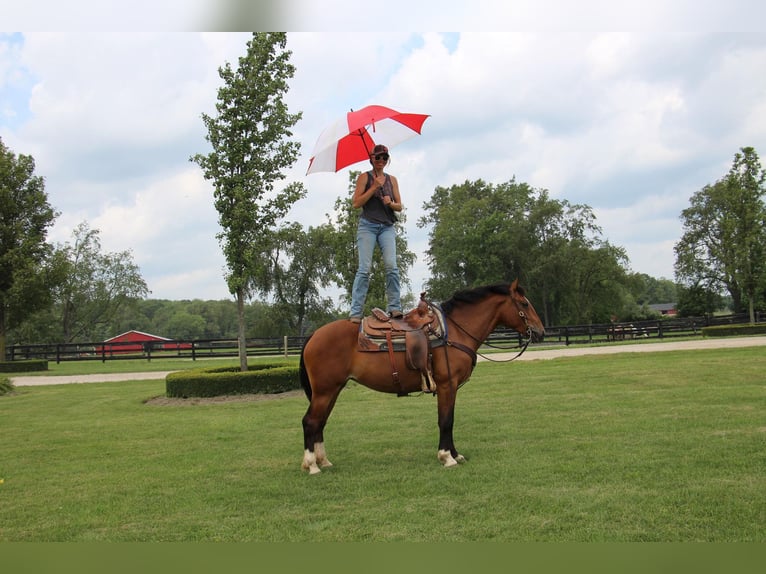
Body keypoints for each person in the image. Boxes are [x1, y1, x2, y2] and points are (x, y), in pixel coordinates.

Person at [348, 144, 404, 323]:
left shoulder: (392, 179)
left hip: (387, 226)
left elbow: (399, 206)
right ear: (371, 158)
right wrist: (373, 188)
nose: (381, 161)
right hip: (368, 226)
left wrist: (389, 202)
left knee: (392, 267)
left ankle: (394, 307)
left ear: (387, 160)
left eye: (384, 158)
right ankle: (356, 312)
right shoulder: (364, 177)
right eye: (377, 157)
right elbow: (356, 203)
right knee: (364, 269)